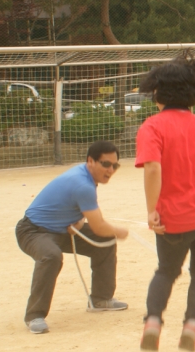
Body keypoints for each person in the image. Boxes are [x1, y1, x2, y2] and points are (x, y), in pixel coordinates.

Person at [135, 53, 195, 352]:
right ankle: (192, 325)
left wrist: (152, 210)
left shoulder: (153, 126)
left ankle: (153, 322)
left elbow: (152, 167)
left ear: (156, 92)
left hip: (172, 218)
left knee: (166, 271)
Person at [15, 141, 129, 334]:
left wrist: (77, 221)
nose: (110, 170)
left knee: (105, 241)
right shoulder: (82, 184)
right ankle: (35, 315)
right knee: (51, 256)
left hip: (62, 230)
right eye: (106, 164)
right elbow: (99, 226)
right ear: (90, 161)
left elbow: (79, 210)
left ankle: (101, 299)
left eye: (115, 166)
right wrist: (120, 232)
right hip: (33, 231)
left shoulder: (85, 177)